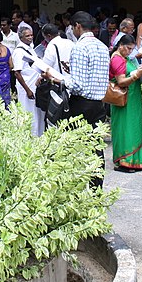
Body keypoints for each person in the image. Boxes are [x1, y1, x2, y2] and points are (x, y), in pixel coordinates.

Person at [49, 11, 110, 189]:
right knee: (95, 147)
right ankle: (95, 188)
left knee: (73, 146)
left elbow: (77, 85)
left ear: (77, 26)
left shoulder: (80, 47)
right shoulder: (102, 46)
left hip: (81, 103)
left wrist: (57, 78)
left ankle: (74, 188)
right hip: (99, 104)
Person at [109, 34, 142, 172]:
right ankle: (125, 160)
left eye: (132, 49)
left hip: (132, 98)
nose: (130, 51)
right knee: (126, 127)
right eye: (129, 48)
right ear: (121, 46)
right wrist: (137, 74)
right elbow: (121, 81)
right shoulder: (117, 60)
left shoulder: (123, 57)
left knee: (133, 126)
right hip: (124, 99)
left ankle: (133, 160)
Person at [12, 28, 45, 136]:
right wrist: (28, 90)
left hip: (35, 85)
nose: (30, 37)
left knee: (37, 113)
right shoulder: (18, 51)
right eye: (27, 36)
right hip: (27, 87)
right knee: (29, 113)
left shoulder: (31, 49)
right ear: (21, 37)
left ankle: (39, 136)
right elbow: (17, 72)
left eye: (31, 35)